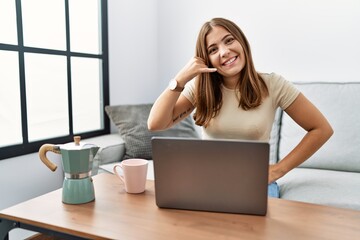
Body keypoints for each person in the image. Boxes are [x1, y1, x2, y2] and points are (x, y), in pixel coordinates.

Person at [147, 17, 333, 198]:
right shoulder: (201, 89)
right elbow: (155, 123)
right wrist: (180, 79)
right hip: (208, 180)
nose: (224, 51)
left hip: (254, 182)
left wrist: (277, 170)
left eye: (229, 41)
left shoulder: (273, 84)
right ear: (207, 60)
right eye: (213, 49)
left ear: (242, 42)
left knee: (253, 228)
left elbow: (321, 129)